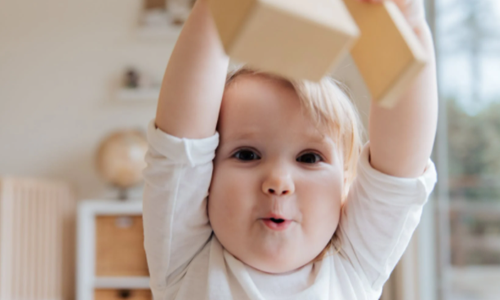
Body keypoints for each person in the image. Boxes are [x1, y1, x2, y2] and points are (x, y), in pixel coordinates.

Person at [142, 0, 438, 298]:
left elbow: (398, 172)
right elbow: (181, 148)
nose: (278, 182)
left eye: (309, 158)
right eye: (247, 155)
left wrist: (406, 25)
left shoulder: (353, 263)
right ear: (206, 178)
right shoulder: (184, 258)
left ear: (345, 184)